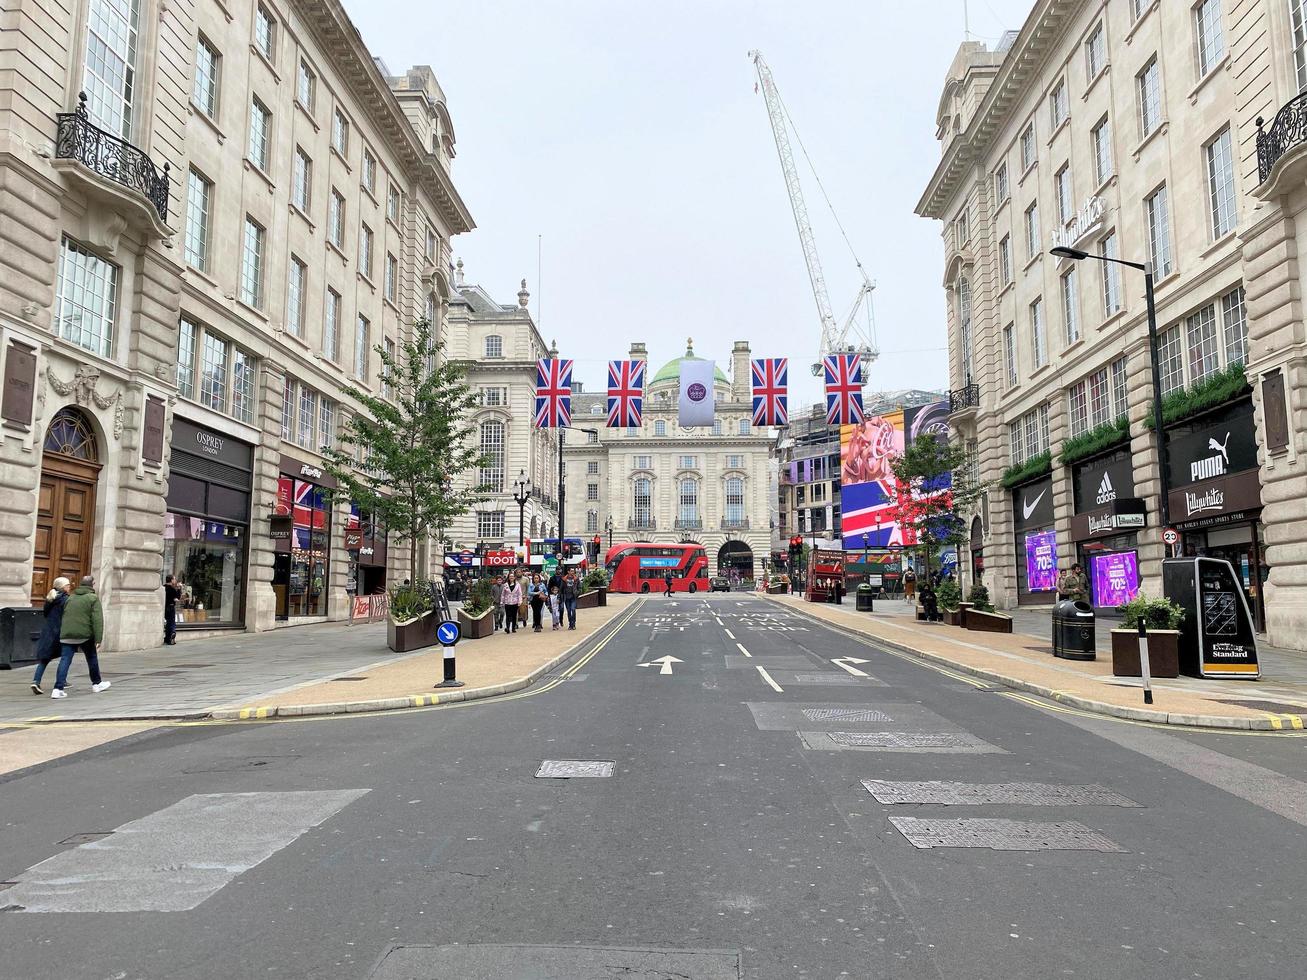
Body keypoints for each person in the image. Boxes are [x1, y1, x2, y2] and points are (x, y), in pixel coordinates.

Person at [52, 575, 109, 699]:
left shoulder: (71, 598)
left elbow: (64, 615)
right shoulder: (93, 598)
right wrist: (98, 638)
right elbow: (97, 620)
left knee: (65, 660)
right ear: (92, 584)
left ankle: (57, 689)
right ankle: (97, 684)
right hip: (85, 634)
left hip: (67, 633)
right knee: (92, 658)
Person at [31, 577, 71, 695]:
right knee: (66, 656)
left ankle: (36, 681)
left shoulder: (50, 598)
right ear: (63, 587)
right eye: (68, 585)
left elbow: (46, 614)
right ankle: (61, 681)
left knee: (45, 658)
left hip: (48, 630)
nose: (69, 587)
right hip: (59, 631)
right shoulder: (65, 600)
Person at [163, 574, 181, 645]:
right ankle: (172, 635)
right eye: (174, 579)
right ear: (171, 580)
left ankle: (167, 638)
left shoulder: (163, 587)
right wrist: (179, 588)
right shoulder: (172, 589)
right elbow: (177, 599)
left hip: (164, 608)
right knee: (172, 623)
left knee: (168, 623)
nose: (175, 580)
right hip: (170, 607)